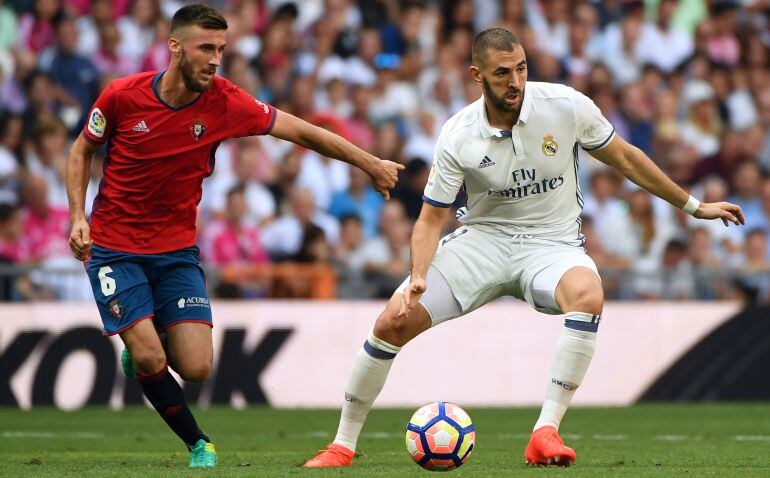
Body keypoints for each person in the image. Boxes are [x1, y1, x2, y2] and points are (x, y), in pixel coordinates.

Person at [303, 28, 744, 469]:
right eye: (501, 73)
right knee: (391, 322)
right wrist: (419, 274)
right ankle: (342, 445)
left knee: (589, 295)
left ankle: (545, 432)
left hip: (552, 244)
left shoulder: (566, 106)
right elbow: (430, 217)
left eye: (521, 69)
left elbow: (626, 158)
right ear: (477, 75)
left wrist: (694, 206)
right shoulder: (458, 134)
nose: (515, 82)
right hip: (482, 243)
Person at [65, 4, 402, 469]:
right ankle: (198, 444)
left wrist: (371, 163)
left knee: (198, 368)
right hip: (113, 247)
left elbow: (301, 132)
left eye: (221, 49)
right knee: (146, 354)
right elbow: (81, 150)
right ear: (175, 46)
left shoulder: (225, 101)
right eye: (206, 48)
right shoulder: (122, 96)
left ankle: (147, 348)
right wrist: (78, 216)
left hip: (176, 249)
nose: (215, 59)